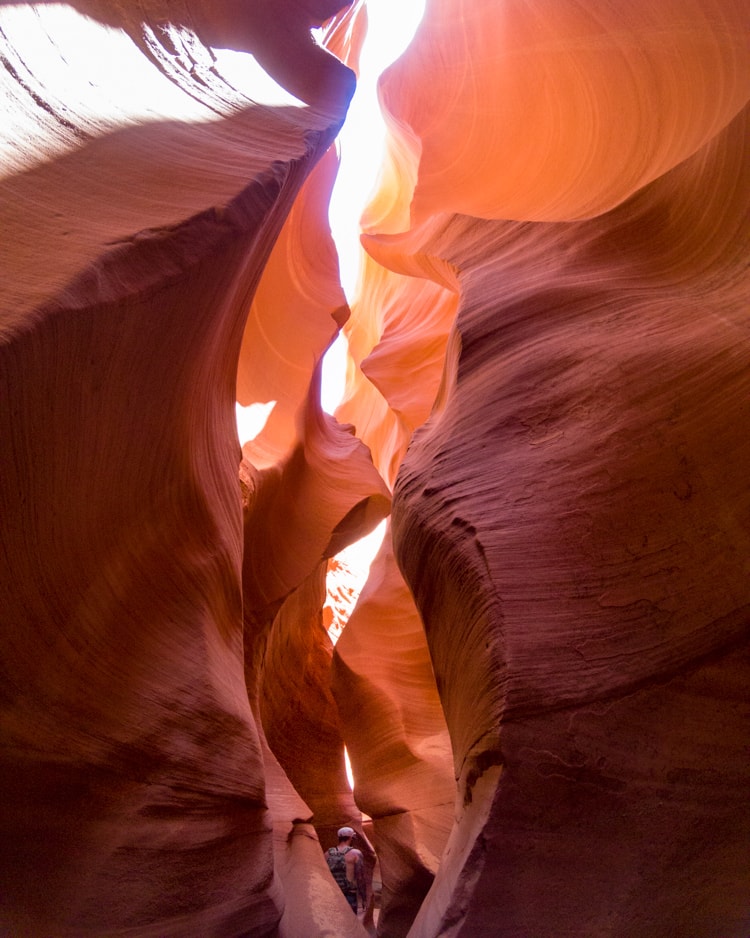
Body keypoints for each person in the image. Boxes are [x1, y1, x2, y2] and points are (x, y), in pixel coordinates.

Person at [325, 826, 367, 913]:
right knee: (350, 923)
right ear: (351, 838)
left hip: (332, 894)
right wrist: (364, 899)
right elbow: (360, 878)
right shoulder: (356, 853)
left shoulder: (327, 854)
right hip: (349, 895)